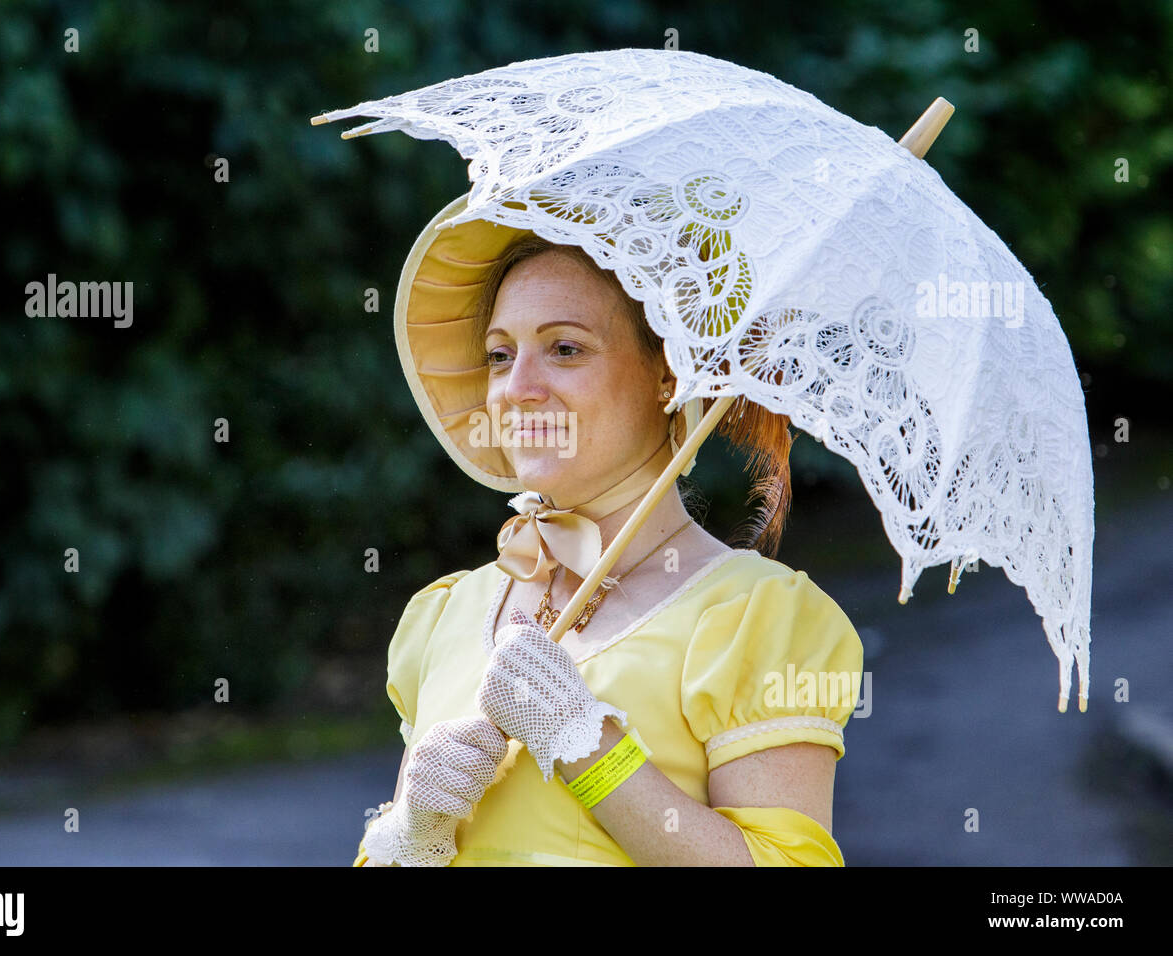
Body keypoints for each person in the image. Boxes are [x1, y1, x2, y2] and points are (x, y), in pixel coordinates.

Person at [353, 200, 864, 866]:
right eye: (500, 355)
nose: (518, 388)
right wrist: (414, 836)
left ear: (666, 374)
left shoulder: (756, 619)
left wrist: (583, 743)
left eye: (565, 349)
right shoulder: (445, 615)